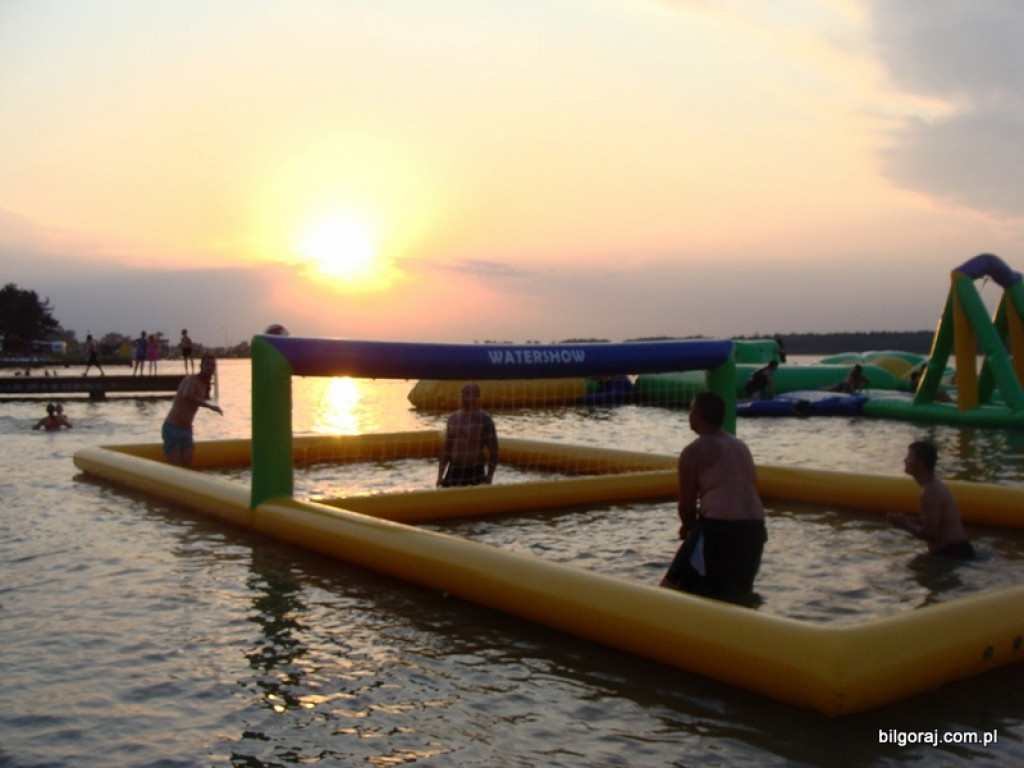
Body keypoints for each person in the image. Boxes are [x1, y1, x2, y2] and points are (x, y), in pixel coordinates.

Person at [661, 391, 767, 600]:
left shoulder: (693, 451)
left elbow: (687, 507)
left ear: (699, 415)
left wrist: (687, 529)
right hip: (755, 529)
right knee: (737, 595)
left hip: (719, 528)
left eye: (691, 409)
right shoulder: (740, 446)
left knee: (670, 589)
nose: (688, 414)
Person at [888, 441, 975, 560]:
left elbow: (931, 534)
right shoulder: (933, 486)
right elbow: (932, 521)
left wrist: (904, 524)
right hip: (957, 551)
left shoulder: (929, 493)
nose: (905, 460)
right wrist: (907, 519)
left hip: (953, 553)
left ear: (921, 464)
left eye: (909, 457)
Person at [162, 354, 223, 467]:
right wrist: (210, 406)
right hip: (172, 428)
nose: (210, 367)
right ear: (201, 366)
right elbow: (187, 396)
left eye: (213, 365)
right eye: (207, 364)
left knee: (188, 467)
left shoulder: (205, 384)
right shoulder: (191, 379)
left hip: (186, 429)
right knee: (176, 469)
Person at [437, 383, 499, 487]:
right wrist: (440, 475)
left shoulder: (484, 419)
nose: (463, 395)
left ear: (476, 397)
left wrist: (490, 476)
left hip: (475, 470)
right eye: (462, 392)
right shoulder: (453, 419)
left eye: (467, 393)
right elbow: (446, 449)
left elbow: (494, 449)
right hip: (454, 469)